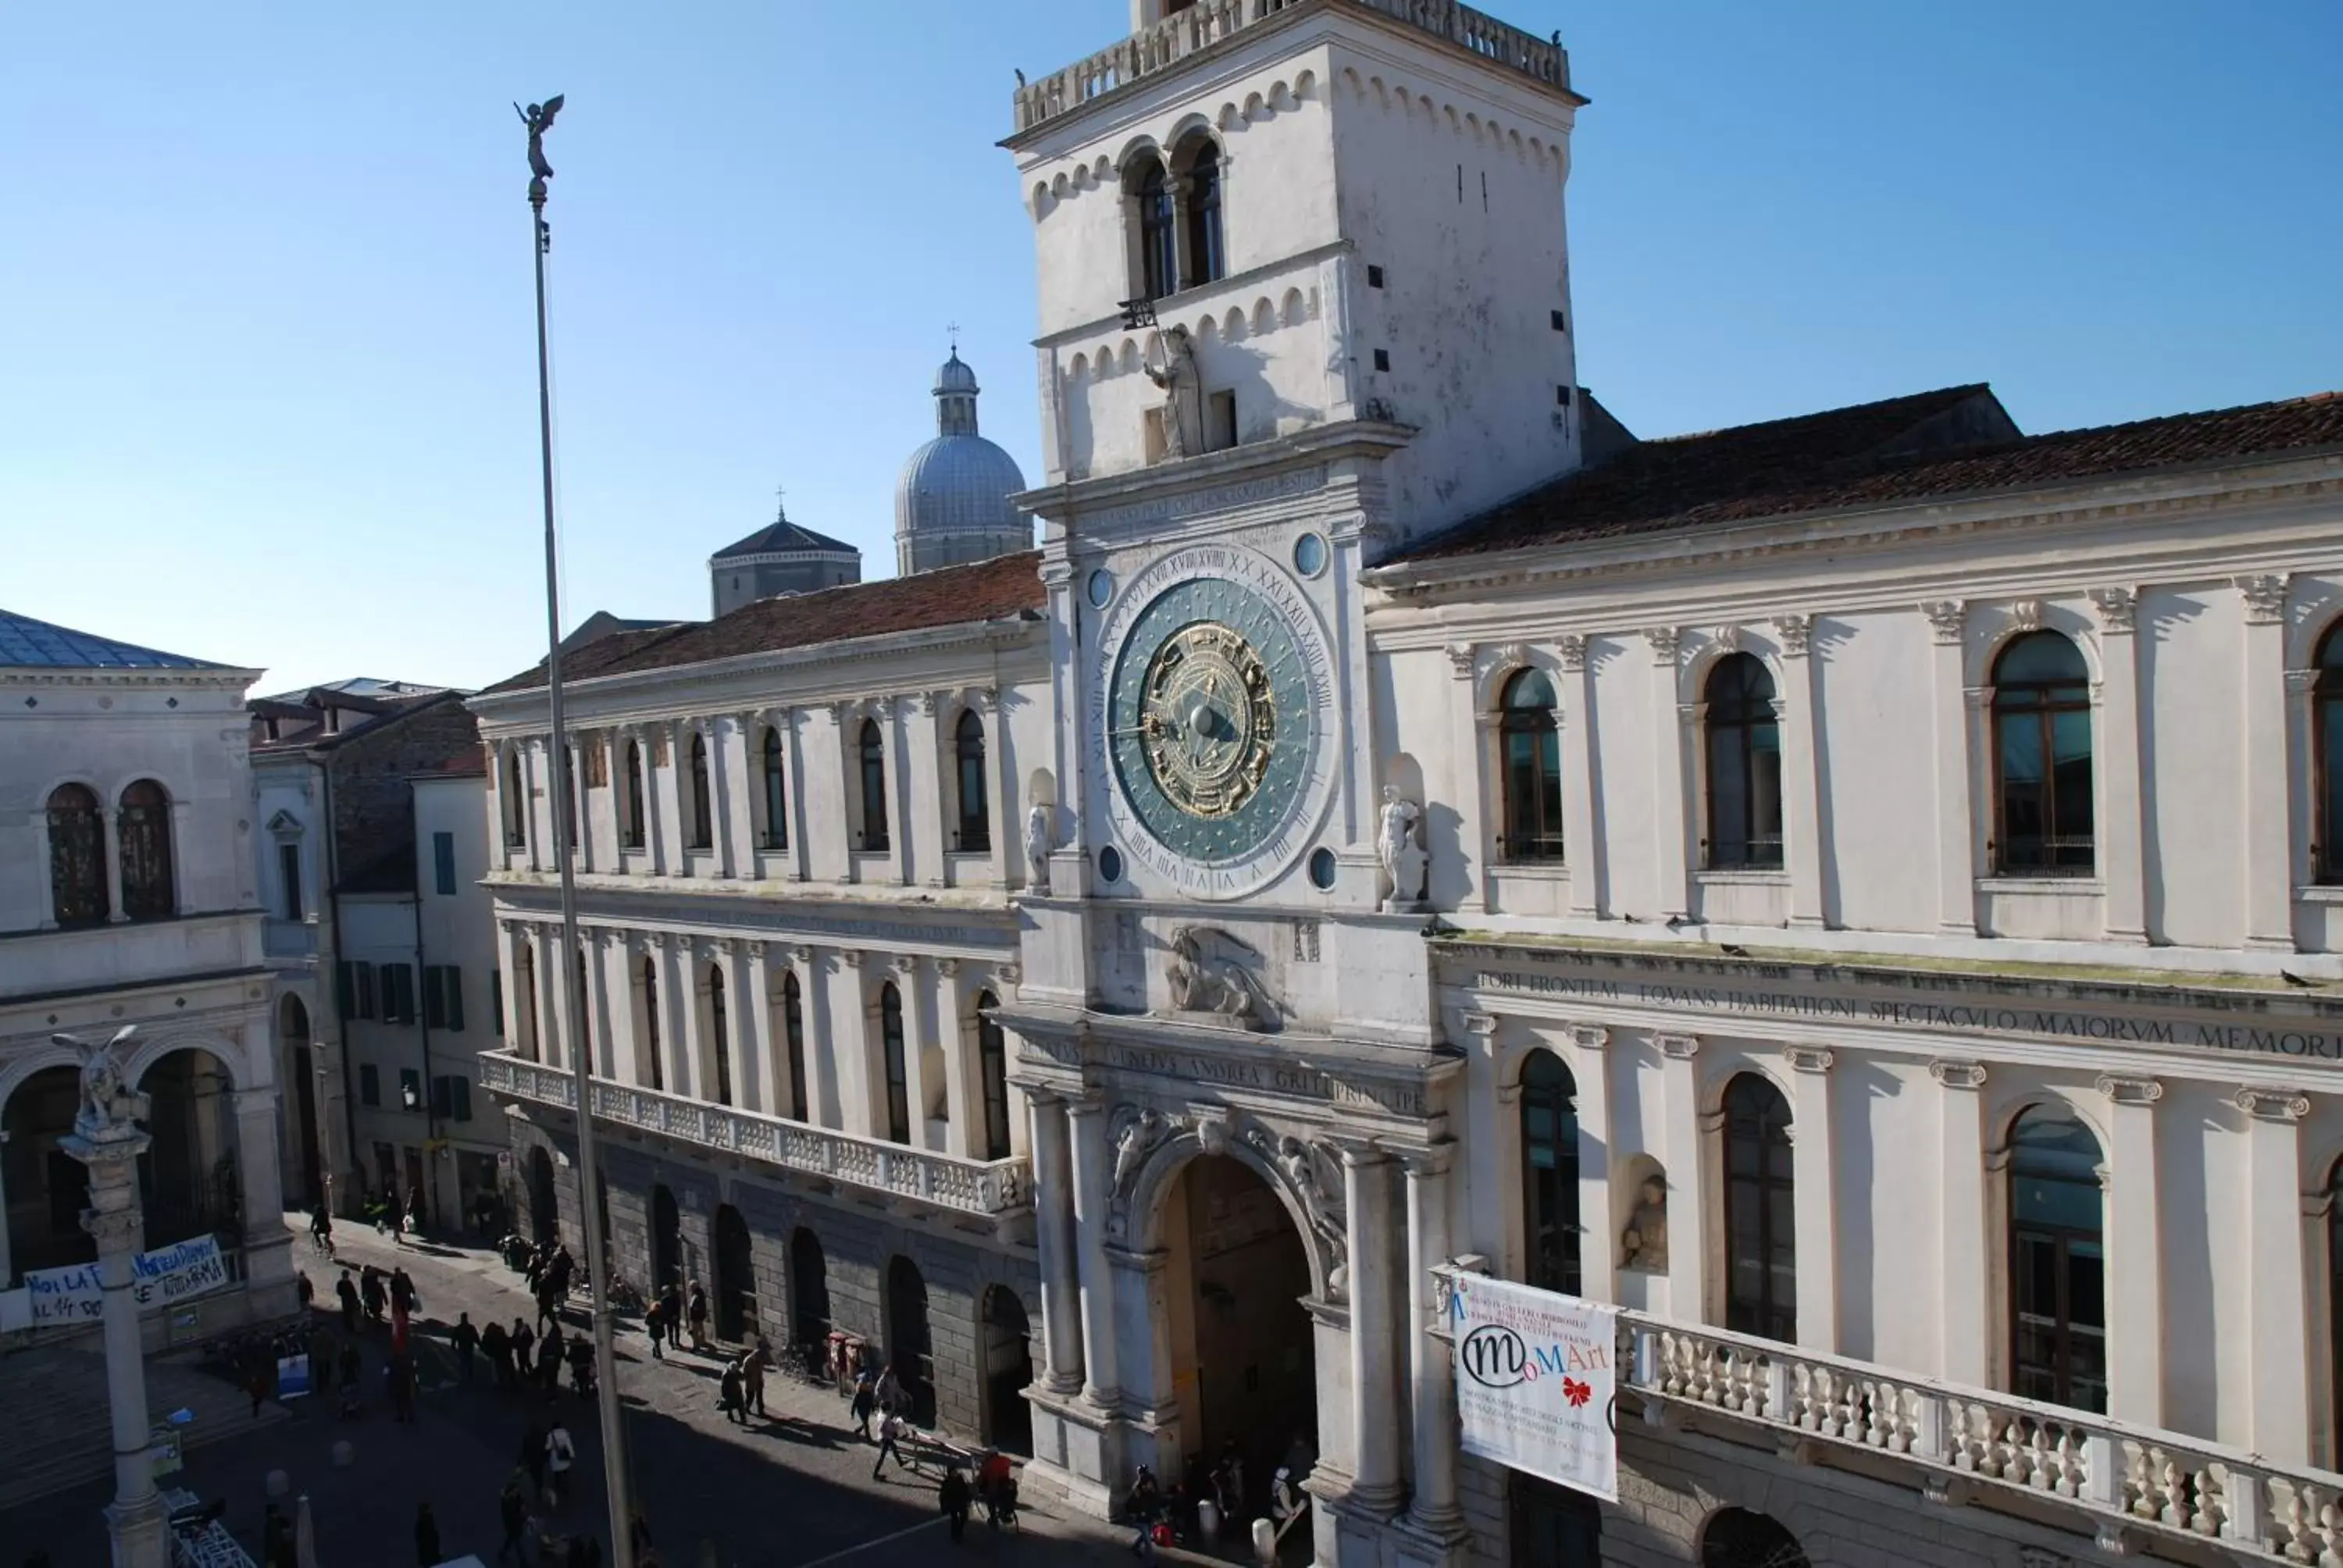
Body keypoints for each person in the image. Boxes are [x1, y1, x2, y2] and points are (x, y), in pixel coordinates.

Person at [1128, 1466, 1163, 1560]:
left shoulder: (1149, 1486)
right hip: (1141, 1518)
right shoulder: (1138, 1487)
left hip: (1148, 1515)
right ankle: (1151, 1564)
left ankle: (1135, 1547)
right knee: (1148, 1542)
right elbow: (1134, 1502)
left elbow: (1155, 1500)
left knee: (1147, 1534)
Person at [497, 1470, 530, 1566]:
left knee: (510, 1539)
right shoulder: (508, 1503)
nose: (517, 1492)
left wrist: (523, 1505)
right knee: (518, 1544)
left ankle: (503, 1553)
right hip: (512, 1525)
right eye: (515, 1491)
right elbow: (513, 1516)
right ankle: (523, 1563)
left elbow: (521, 1501)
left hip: (513, 1525)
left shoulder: (513, 1497)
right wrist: (524, 1516)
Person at [546, 1417, 576, 1509]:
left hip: (556, 1457)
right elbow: (569, 1445)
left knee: (557, 1473)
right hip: (564, 1457)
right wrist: (572, 1455)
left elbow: (547, 1447)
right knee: (565, 1471)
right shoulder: (565, 1434)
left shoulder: (551, 1435)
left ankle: (557, 1485)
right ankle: (566, 1486)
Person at [870, 1410, 908, 1479]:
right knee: (882, 1457)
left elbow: (884, 1426)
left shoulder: (881, 1415)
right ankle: (875, 1474)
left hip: (885, 1437)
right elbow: (884, 1428)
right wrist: (895, 1427)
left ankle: (900, 1462)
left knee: (894, 1447)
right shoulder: (886, 1418)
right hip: (886, 1439)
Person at [939, 1465, 972, 1544]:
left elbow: (966, 1490)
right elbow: (943, 1496)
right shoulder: (946, 1483)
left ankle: (959, 1531)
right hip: (952, 1503)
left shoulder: (961, 1480)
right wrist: (944, 1507)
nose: (955, 1474)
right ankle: (956, 1535)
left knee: (964, 1518)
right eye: (953, 1472)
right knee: (954, 1519)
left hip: (961, 1502)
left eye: (955, 1472)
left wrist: (969, 1499)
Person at [743, 1338, 770, 1418]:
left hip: (758, 1381)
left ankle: (761, 1412)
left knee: (760, 1399)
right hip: (750, 1383)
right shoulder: (748, 1361)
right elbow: (745, 1373)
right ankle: (746, 1408)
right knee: (750, 1398)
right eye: (758, 1357)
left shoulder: (760, 1360)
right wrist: (749, 1380)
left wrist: (761, 1380)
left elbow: (760, 1370)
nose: (760, 1359)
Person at [482, 1317, 511, 1390]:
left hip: (497, 1355)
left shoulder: (490, 1335)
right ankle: (505, 1382)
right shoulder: (500, 1334)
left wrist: (487, 1352)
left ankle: (500, 1383)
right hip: (502, 1354)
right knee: (503, 1369)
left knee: (498, 1369)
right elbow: (507, 1342)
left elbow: (486, 1344)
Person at [849, 1368, 878, 1440]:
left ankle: (857, 1430)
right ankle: (869, 1439)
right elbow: (854, 1403)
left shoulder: (868, 1392)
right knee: (866, 1424)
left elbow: (871, 1401)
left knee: (865, 1423)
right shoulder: (858, 1394)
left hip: (867, 1409)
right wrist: (852, 1413)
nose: (868, 1385)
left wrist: (873, 1408)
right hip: (861, 1409)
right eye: (866, 1384)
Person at [451, 1313, 480, 1384]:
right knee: (469, 1366)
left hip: (463, 1350)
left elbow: (454, 1339)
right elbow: (476, 1338)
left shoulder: (459, 1328)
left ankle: (465, 1380)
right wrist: (481, 1346)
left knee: (464, 1365)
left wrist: (453, 1347)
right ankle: (469, 1381)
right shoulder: (470, 1328)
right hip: (468, 1349)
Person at [719, 1360, 746, 1425]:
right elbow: (723, 1386)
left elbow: (742, 1377)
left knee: (741, 1405)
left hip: (737, 1391)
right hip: (729, 1393)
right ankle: (731, 1417)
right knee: (729, 1405)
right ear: (730, 1368)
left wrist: (744, 1373)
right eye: (733, 1370)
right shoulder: (726, 1375)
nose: (734, 1371)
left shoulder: (736, 1371)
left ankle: (743, 1419)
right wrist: (723, 1395)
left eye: (735, 1370)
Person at [415, 1501, 441, 1567]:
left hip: (429, 1555)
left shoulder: (425, 1522)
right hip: (430, 1555)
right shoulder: (425, 1522)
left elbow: (419, 1539)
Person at [686, 1281, 709, 1353]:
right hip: (699, 1316)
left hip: (696, 1317)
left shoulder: (697, 1295)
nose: (690, 1288)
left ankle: (696, 1346)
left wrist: (694, 1312)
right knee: (700, 1329)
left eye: (691, 1287)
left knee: (694, 1332)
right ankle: (702, 1342)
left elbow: (695, 1306)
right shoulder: (699, 1293)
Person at [336, 1269, 362, 1334]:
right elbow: (354, 1292)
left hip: (344, 1300)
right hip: (350, 1300)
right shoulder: (349, 1283)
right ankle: (351, 1326)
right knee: (351, 1313)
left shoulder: (340, 1283)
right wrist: (356, 1299)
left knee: (346, 1312)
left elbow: (339, 1292)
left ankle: (347, 1326)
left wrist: (343, 1295)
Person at [644, 1294, 666, 1360]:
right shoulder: (650, 1314)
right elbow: (647, 1322)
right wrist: (654, 1323)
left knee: (657, 1342)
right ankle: (659, 1354)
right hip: (654, 1330)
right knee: (657, 1343)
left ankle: (654, 1351)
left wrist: (661, 1323)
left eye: (659, 1307)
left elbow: (664, 1320)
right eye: (657, 1307)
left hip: (659, 1329)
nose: (658, 1309)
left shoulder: (661, 1313)